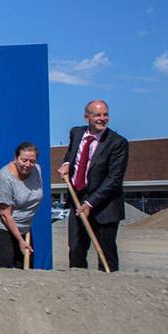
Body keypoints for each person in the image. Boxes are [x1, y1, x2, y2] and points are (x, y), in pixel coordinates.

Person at [58, 100, 129, 271]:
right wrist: (66, 163)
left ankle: (108, 282)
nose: (102, 118)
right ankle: (78, 281)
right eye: (97, 115)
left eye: (105, 115)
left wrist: (90, 204)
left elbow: (114, 179)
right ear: (87, 117)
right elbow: (71, 153)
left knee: (106, 251)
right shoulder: (76, 133)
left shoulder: (117, 143)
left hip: (104, 205)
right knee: (76, 248)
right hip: (78, 199)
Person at [0, 142, 43, 268]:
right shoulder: (4, 177)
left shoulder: (37, 170)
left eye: (32, 161)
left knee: (26, 266)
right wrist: (20, 241)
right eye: (24, 160)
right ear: (15, 158)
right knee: (5, 268)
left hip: (24, 226)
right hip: (2, 225)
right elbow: (5, 214)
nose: (28, 164)